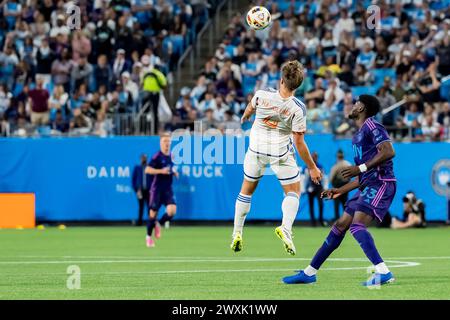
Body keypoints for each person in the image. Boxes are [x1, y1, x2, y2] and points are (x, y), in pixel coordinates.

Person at [282, 94, 397, 287]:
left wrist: (359, 168)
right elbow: (362, 177)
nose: (352, 105)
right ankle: (309, 273)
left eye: (356, 103)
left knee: (356, 225)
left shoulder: (372, 126)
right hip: (368, 184)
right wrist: (339, 190)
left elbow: (388, 151)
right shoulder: (358, 135)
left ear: (362, 108)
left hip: (381, 183)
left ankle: (383, 271)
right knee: (341, 224)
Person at [230, 60, 322, 256]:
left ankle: (237, 233)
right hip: (279, 154)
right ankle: (286, 228)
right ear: (298, 84)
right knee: (293, 191)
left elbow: (250, 107)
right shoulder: (298, 108)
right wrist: (312, 167)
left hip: (256, 151)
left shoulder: (262, 95)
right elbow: (299, 142)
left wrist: (246, 116)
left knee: (246, 190)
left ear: (281, 79)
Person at [144, 133, 178, 248]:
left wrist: (174, 172)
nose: (167, 143)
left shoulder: (171, 156)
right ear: (160, 143)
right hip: (156, 189)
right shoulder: (157, 156)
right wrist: (160, 171)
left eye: (168, 141)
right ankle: (148, 237)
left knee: (172, 210)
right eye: (164, 141)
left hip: (167, 189)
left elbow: (170, 169)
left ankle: (159, 224)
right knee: (152, 214)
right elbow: (147, 170)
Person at [329, 149, 351, 221]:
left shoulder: (336, 165)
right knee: (345, 203)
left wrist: (333, 185)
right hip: (346, 186)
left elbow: (331, 177)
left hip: (337, 186)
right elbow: (351, 176)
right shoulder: (348, 164)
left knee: (336, 204)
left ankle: (337, 219)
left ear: (337, 156)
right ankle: (346, 219)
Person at [131, 154, 152, 226]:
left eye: (145, 158)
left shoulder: (150, 168)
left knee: (150, 207)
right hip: (140, 191)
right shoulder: (137, 168)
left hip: (149, 190)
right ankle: (139, 223)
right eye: (142, 158)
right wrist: (136, 190)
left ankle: (151, 222)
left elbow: (153, 179)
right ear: (140, 159)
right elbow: (133, 180)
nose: (144, 159)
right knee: (141, 207)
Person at [305, 152, 326, 226]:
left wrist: (324, 187)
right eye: (313, 157)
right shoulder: (307, 166)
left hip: (319, 187)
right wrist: (305, 188)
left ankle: (320, 220)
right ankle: (313, 222)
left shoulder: (320, 166)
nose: (314, 158)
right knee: (311, 205)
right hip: (311, 186)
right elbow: (306, 178)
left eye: (315, 157)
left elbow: (323, 177)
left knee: (321, 204)